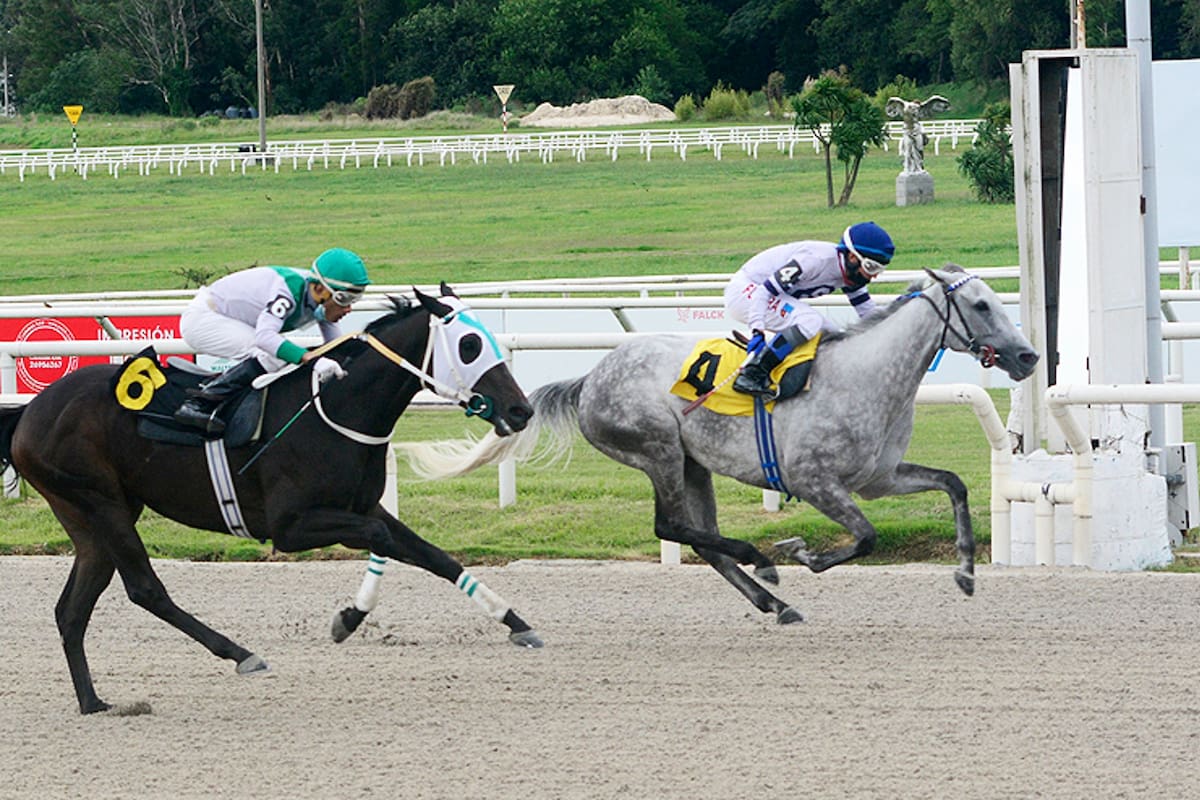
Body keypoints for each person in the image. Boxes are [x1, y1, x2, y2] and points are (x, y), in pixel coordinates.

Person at [173, 247, 372, 434]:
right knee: (270, 356)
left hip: (231, 318)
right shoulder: (288, 291)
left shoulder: (318, 298)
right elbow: (265, 337)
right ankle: (198, 403)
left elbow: (334, 347)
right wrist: (311, 359)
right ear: (320, 289)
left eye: (353, 301)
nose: (348, 309)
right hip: (204, 319)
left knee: (277, 356)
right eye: (344, 300)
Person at [723, 221, 895, 398]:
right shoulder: (815, 261)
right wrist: (757, 330)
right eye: (871, 267)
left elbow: (869, 315)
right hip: (748, 291)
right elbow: (764, 292)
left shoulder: (851, 274)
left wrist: (899, 313)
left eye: (879, 270)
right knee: (810, 320)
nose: (873, 275)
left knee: (834, 335)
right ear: (852, 257)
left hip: (766, 295)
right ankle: (752, 373)